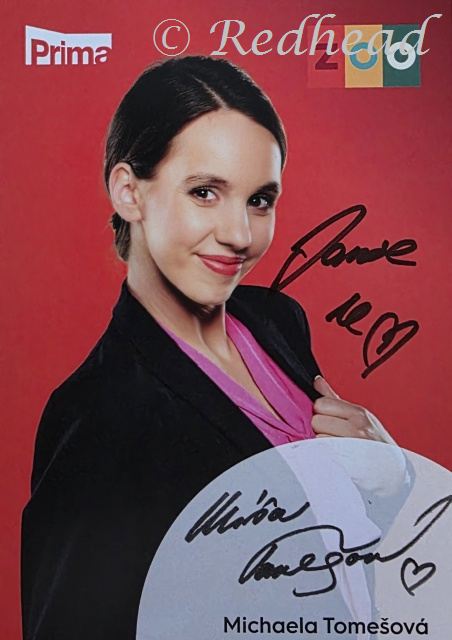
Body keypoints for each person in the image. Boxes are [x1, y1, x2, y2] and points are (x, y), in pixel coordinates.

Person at [21, 55, 394, 640]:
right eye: (204, 192)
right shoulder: (97, 416)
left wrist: (389, 479)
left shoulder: (277, 322)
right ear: (129, 192)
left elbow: (327, 550)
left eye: (259, 200)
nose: (239, 235)